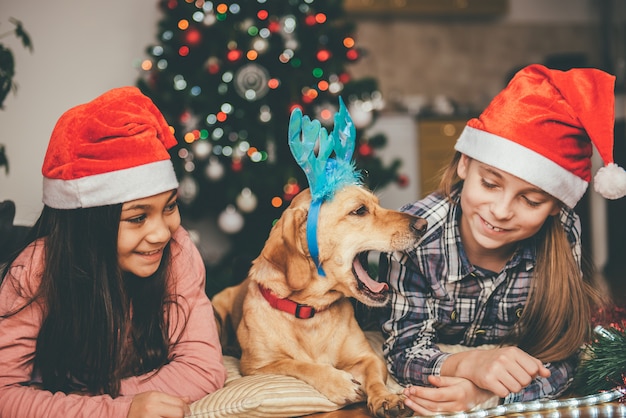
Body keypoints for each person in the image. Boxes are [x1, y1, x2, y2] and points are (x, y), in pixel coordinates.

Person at [380, 64, 626, 415]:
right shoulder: (419, 232)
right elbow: (403, 350)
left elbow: (564, 355)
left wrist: (489, 396)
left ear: (556, 206)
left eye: (530, 200)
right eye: (490, 184)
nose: (501, 211)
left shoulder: (562, 233)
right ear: (465, 164)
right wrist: (470, 365)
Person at [0, 87, 227, 418]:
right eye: (137, 217)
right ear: (88, 225)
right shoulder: (34, 271)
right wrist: (119, 411)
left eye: (170, 206)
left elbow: (203, 370)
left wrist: (102, 400)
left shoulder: (177, 251)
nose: (162, 233)